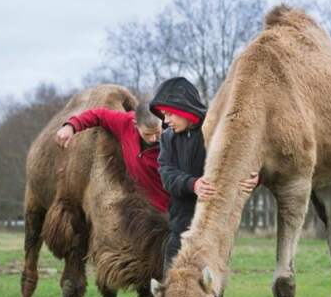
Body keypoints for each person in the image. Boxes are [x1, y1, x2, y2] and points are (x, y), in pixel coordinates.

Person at [149, 77, 258, 273]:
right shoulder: (167, 138)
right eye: (163, 115)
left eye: (169, 114)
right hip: (179, 229)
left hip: (214, 232)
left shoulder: (220, 131)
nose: (166, 121)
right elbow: (166, 174)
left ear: (184, 110)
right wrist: (193, 184)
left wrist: (257, 178)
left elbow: (244, 162)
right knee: (172, 294)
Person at [55, 101, 169, 213]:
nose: (154, 138)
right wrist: (71, 126)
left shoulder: (173, 144)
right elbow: (99, 115)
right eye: (147, 134)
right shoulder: (126, 123)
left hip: (167, 210)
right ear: (135, 124)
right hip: (141, 206)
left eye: (158, 132)